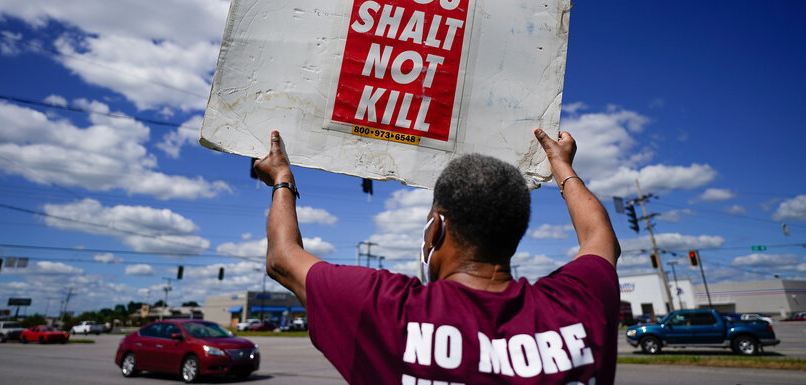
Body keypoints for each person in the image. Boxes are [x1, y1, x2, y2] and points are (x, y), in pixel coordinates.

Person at [253, 128, 621, 385]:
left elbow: (283, 258)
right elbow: (599, 236)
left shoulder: (383, 307)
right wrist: (562, 166)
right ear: (514, 234)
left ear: (436, 229)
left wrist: (282, 178)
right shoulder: (577, 305)